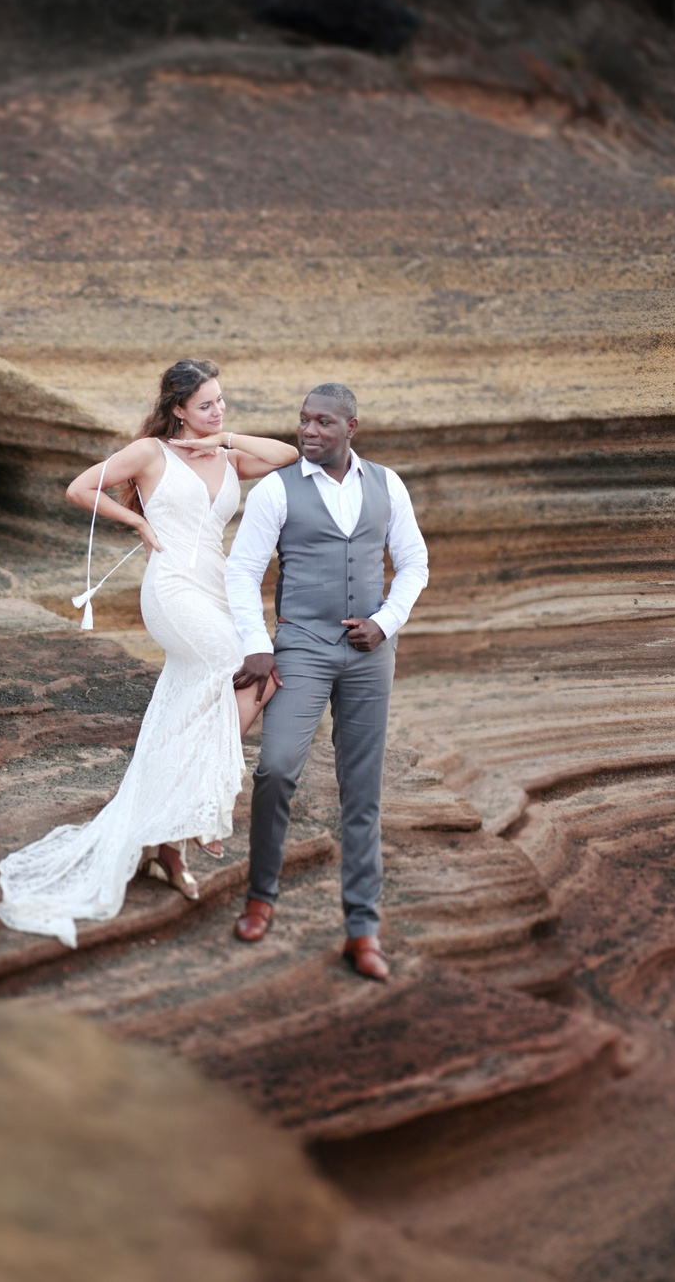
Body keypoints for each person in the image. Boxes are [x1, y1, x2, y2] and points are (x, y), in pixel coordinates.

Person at [0, 358, 275, 948]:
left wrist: (220, 438)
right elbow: (79, 488)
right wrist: (138, 525)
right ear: (177, 410)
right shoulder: (150, 452)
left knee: (230, 690)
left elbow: (288, 456)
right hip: (172, 589)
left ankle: (167, 844)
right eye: (205, 406)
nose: (217, 411)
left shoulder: (226, 455)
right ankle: (202, 805)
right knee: (243, 667)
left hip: (217, 587)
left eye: (221, 402)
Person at [211, 383, 428, 982]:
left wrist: (385, 623)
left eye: (323, 423)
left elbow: (413, 563)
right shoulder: (277, 490)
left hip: (368, 657)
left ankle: (362, 930)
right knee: (276, 768)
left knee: (363, 792)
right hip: (300, 649)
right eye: (303, 421)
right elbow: (243, 571)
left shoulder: (388, 484)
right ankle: (261, 897)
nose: (308, 431)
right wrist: (256, 645)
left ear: (350, 428)